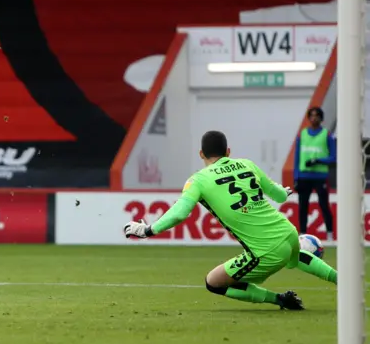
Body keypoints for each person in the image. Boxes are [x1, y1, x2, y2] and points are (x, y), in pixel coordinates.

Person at [124, 131, 338, 310]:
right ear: (228, 152)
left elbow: (180, 213)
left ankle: (280, 299)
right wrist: (284, 192)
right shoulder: (247, 164)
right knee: (295, 257)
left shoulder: (198, 180)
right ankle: (344, 280)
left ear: (201, 154)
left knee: (213, 282)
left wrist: (147, 230)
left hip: (265, 251)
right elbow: (280, 196)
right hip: (289, 233)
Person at [294, 106, 336, 241]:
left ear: (321, 118)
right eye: (311, 115)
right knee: (302, 206)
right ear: (308, 118)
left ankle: (330, 234)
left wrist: (318, 160)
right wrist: (296, 177)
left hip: (320, 176)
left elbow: (334, 157)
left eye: (317, 115)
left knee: (324, 205)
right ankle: (302, 234)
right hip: (304, 176)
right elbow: (297, 157)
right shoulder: (302, 134)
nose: (314, 118)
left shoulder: (326, 135)